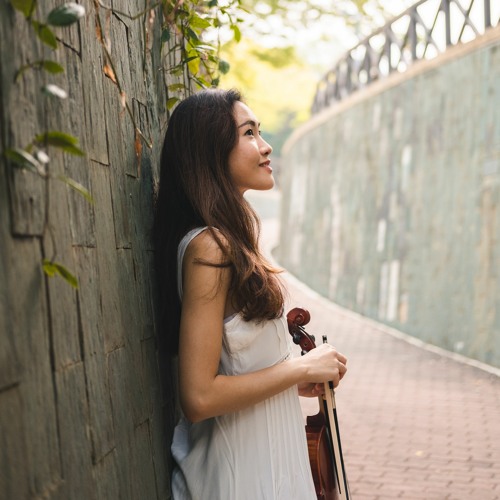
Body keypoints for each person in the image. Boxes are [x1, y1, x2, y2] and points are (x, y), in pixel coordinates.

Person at [154, 88, 347, 500]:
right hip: (237, 479)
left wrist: (295, 382)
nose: (266, 145)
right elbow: (200, 396)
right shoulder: (210, 249)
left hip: (267, 470)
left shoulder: (232, 243)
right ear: (211, 151)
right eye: (249, 133)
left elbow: (235, 369)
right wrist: (300, 369)